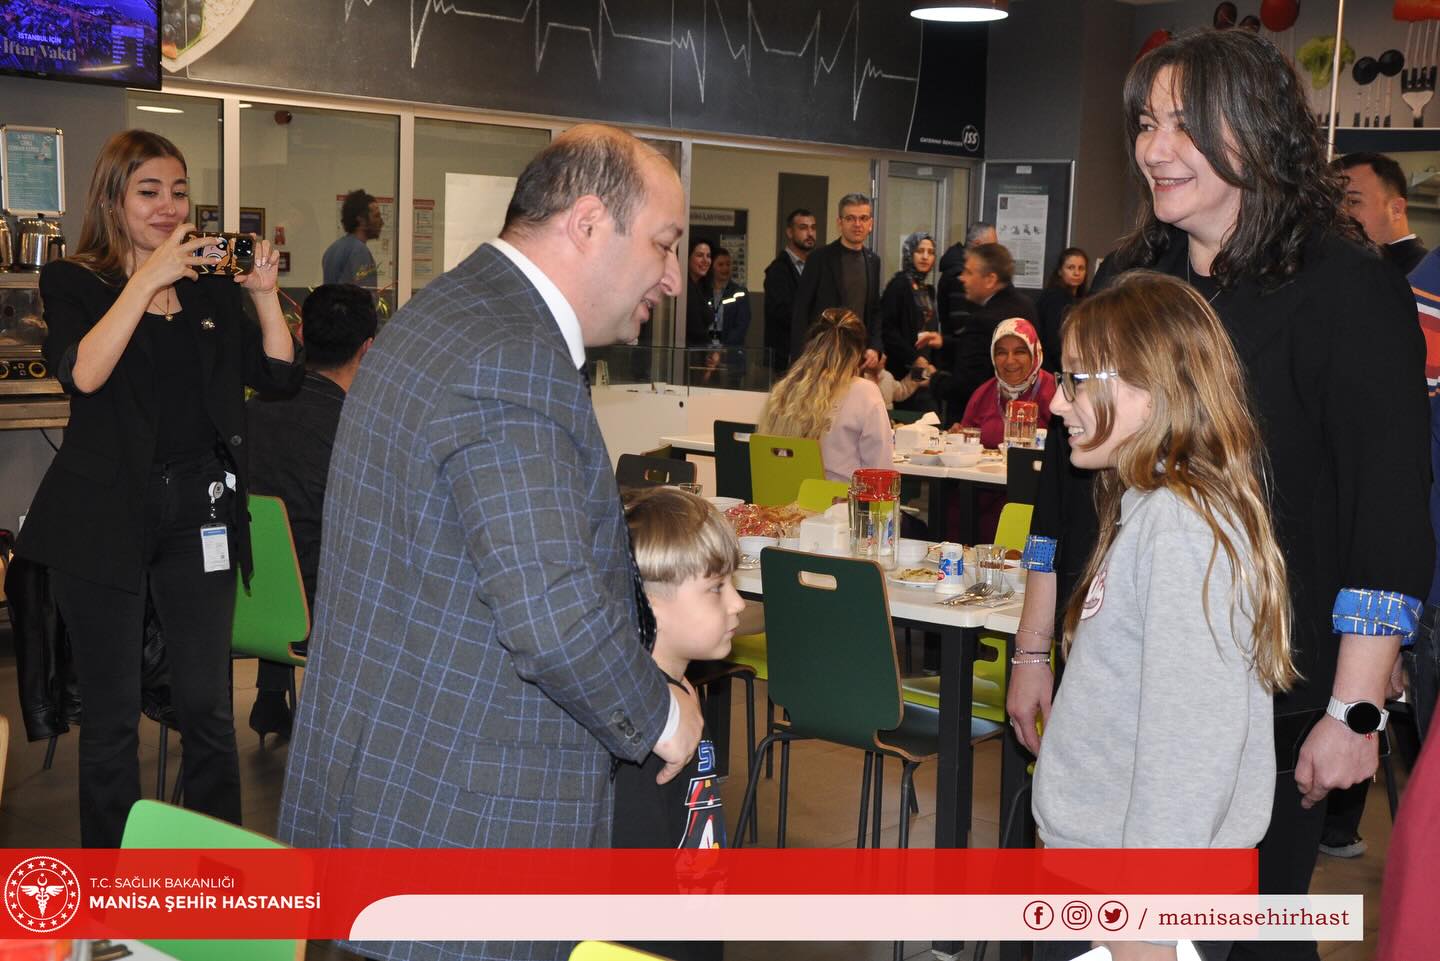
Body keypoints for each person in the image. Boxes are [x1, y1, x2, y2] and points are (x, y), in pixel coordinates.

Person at [1006, 31, 1431, 961]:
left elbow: (1387, 511)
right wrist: (1035, 649)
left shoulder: (1348, 293)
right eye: (1145, 124)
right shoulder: (1131, 281)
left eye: (1184, 125)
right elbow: (1063, 493)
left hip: (1277, 701)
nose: (1154, 148)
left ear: (1259, 129)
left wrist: (1355, 711)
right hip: (1120, 679)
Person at [278, 125, 704, 961]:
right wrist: (662, 715)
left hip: (394, 798)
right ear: (589, 223)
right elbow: (552, 615)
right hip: (467, 831)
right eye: (663, 243)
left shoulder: (446, 312)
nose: (674, 275)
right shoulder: (513, 356)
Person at [14, 129, 302, 847]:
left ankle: (218, 876)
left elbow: (278, 376)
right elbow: (84, 373)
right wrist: (146, 279)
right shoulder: (74, 282)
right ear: (112, 200)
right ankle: (114, 888)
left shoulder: (210, 289)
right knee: (111, 720)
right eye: (149, 192)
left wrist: (266, 297)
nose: (169, 207)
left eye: (178, 192)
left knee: (207, 708)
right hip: (100, 516)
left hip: (199, 511)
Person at [1031, 272, 1294, 961]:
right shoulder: (1151, 510)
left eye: (1077, 379)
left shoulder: (1182, 527)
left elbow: (1189, 748)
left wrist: (1144, 928)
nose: (1056, 401)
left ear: (1148, 391)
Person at [613, 485, 745, 961]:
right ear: (650, 604)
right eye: (716, 588)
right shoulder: (642, 731)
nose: (737, 603)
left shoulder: (680, 697)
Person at [244, 283, 377, 739]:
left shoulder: (252, 409)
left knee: (291, 541)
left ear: (299, 333)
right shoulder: (355, 429)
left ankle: (270, 695)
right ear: (368, 349)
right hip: (320, 615)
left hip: (241, 603)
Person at [758, 308, 892, 484]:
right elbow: (881, 473)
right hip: (838, 499)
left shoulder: (783, 391)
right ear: (857, 353)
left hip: (781, 497)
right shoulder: (866, 393)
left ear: (811, 346)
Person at [953, 317, 1054, 541]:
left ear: (1035, 353)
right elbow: (967, 440)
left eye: (1020, 352)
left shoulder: (1054, 393)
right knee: (953, 515)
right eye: (1001, 352)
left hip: (1037, 495)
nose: (1010, 361)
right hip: (983, 492)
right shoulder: (983, 394)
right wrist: (958, 439)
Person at [943, 242, 1037, 418]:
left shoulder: (982, 320)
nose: (962, 278)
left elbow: (967, 384)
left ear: (990, 280)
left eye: (969, 272)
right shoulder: (1027, 305)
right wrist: (944, 342)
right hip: (1024, 411)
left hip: (985, 419)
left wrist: (932, 379)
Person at [790, 193, 883, 370]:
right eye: (850, 218)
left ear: (870, 223)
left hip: (857, 356)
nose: (857, 224)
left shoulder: (873, 261)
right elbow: (801, 311)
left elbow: (875, 310)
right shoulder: (819, 259)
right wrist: (799, 360)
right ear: (839, 223)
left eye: (863, 218)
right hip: (822, 356)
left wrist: (875, 347)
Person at [1338, 151, 1428, 274]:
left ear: (1396, 209)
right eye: (1332, 204)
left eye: (1353, 201)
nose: (1339, 213)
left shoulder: (1426, 276)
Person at [880, 230, 940, 412]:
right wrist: (914, 358)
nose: (925, 257)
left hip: (924, 370)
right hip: (902, 371)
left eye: (930, 252)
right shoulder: (898, 285)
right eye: (919, 251)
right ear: (909, 254)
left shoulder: (928, 290)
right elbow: (887, 330)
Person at [762, 208, 816, 373]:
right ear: (790, 232)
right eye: (803, 228)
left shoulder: (816, 266)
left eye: (813, 228)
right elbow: (782, 313)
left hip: (809, 356)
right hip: (786, 357)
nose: (810, 233)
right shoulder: (778, 270)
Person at [935, 221, 997, 349]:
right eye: (993, 246)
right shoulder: (959, 276)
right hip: (958, 353)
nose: (996, 252)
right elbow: (960, 327)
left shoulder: (969, 271)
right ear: (978, 245)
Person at [1033, 246, 1089, 374]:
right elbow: (1054, 341)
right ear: (1060, 271)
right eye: (1070, 268)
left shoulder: (1081, 299)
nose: (1076, 273)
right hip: (1052, 368)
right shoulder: (1055, 298)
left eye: (1081, 268)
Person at [321, 188, 382, 289]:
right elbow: (367, 294)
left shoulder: (332, 249)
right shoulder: (360, 251)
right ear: (361, 220)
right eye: (376, 216)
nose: (381, 221)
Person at [707, 246, 750, 348]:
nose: (725, 268)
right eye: (720, 264)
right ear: (712, 267)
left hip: (730, 349)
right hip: (705, 347)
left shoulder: (739, 292)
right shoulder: (704, 291)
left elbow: (741, 326)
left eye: (728, 264)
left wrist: (723, 349)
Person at [684, 237, 714, 346]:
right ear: (687, 257)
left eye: (708, 256)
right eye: (700, 255)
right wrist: (712, 350)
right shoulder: (684, 288)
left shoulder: (703, 287)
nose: (705, 260)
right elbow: (696, 329)